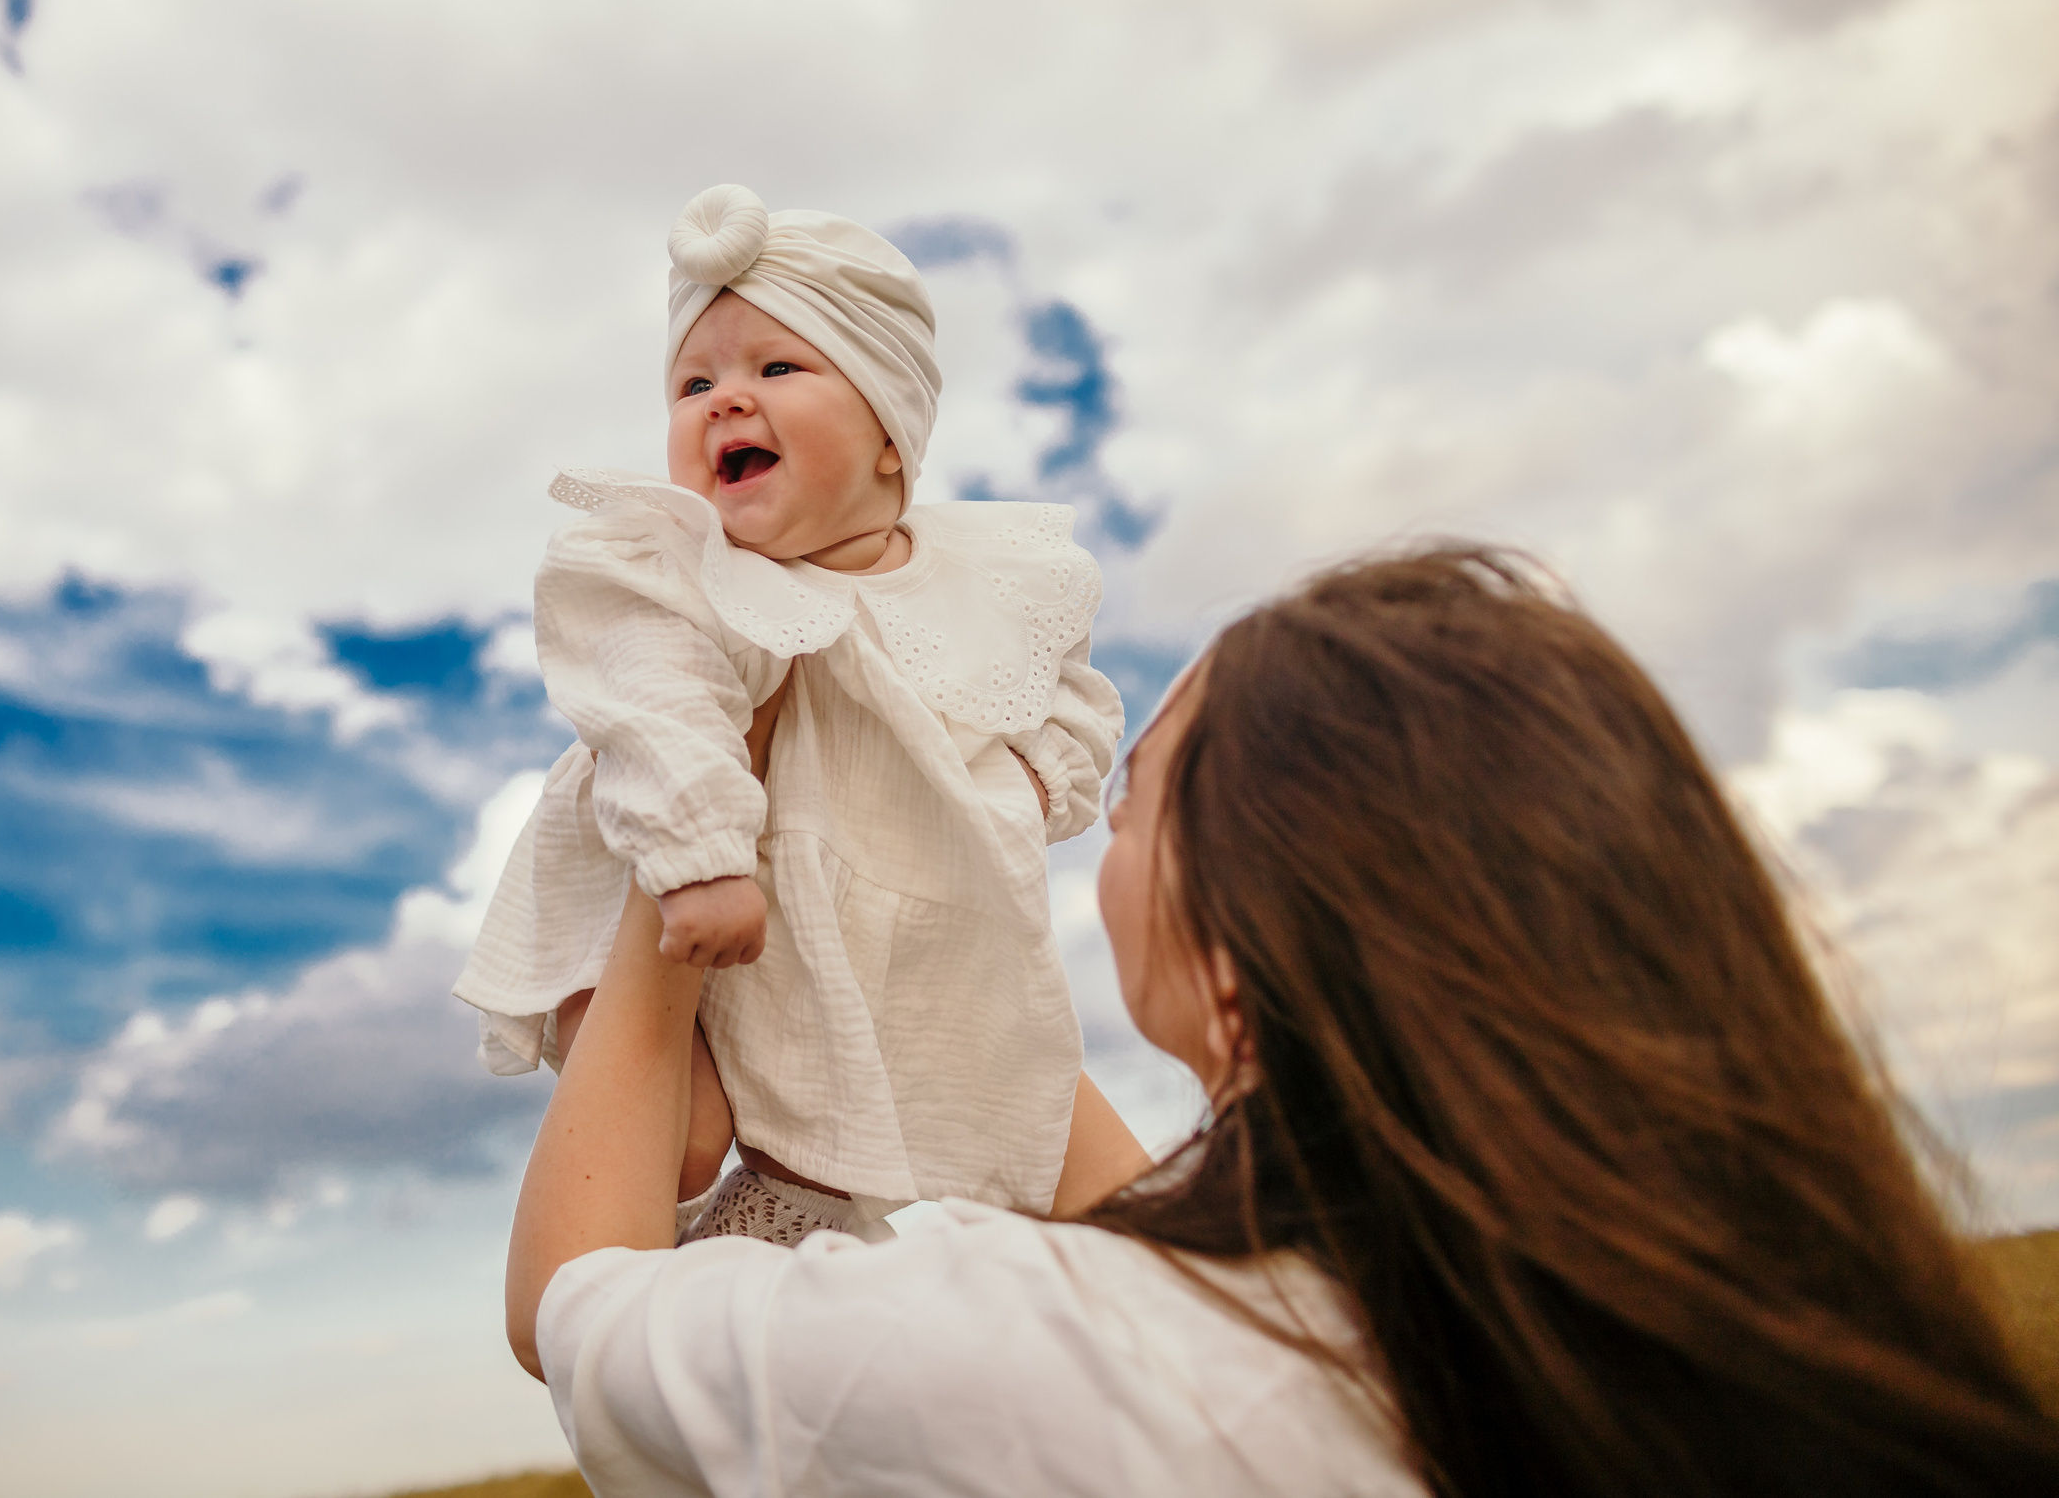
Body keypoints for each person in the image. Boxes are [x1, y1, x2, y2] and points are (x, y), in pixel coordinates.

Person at [503, 545, 2059, 1497]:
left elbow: (580, 1308)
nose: (1087, 850)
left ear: (1237, 957)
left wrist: (695, 838)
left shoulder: (1016, 1355)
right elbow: (1157, 1222)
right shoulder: (1756, 1323)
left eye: (1128, 809)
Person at [456, 184, 1134, 1241]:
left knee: (996, 1104)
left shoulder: (990, 577)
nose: (723, 399)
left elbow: (1071, 694)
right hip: (668, 873)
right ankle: (654, 1252)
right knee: (687, 1130)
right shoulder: (682, 569)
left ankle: (816, 1227)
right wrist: (698, 857)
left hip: (867, 904)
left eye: (775, 367)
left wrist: (1031, 785)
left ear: (889, 439)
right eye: (693, 382)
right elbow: (652, 702)